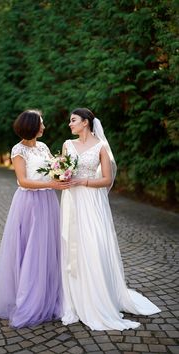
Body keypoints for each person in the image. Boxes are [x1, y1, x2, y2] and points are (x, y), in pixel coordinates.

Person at [60, 107, 161, 331]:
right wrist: (61, 177)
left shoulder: (101, 146)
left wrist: (82, 182)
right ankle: (74, 298)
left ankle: (98, 297)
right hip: (72, 201)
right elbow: (63, 172)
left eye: (73, 120)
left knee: (94, 245)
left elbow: (106, 179)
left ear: (85, 122)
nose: (70, 124)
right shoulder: (67, 145)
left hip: (92, 201)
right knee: (72, 244)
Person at [0, 109, 71, 328]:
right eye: (41, 123)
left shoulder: (43, 147)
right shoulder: (18, 150)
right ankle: (28, 300)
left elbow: (53, 168)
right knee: (31, 248)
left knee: (48, 248)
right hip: (29, 203)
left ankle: (48, 295)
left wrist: (62, 171)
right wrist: (50, 184)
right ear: (32, 126)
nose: (44, 127)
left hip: (48, 202)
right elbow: (23, 181)